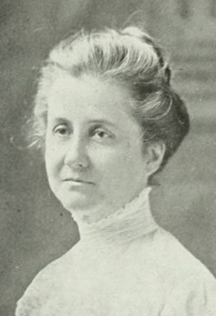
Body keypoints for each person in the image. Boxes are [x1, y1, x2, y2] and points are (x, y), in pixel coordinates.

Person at [16, 26, 216, 316]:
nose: (74, 157)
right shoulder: (45, 291)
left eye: (100, 134)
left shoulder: (185, 291)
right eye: (62, 129)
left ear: (151, 155)